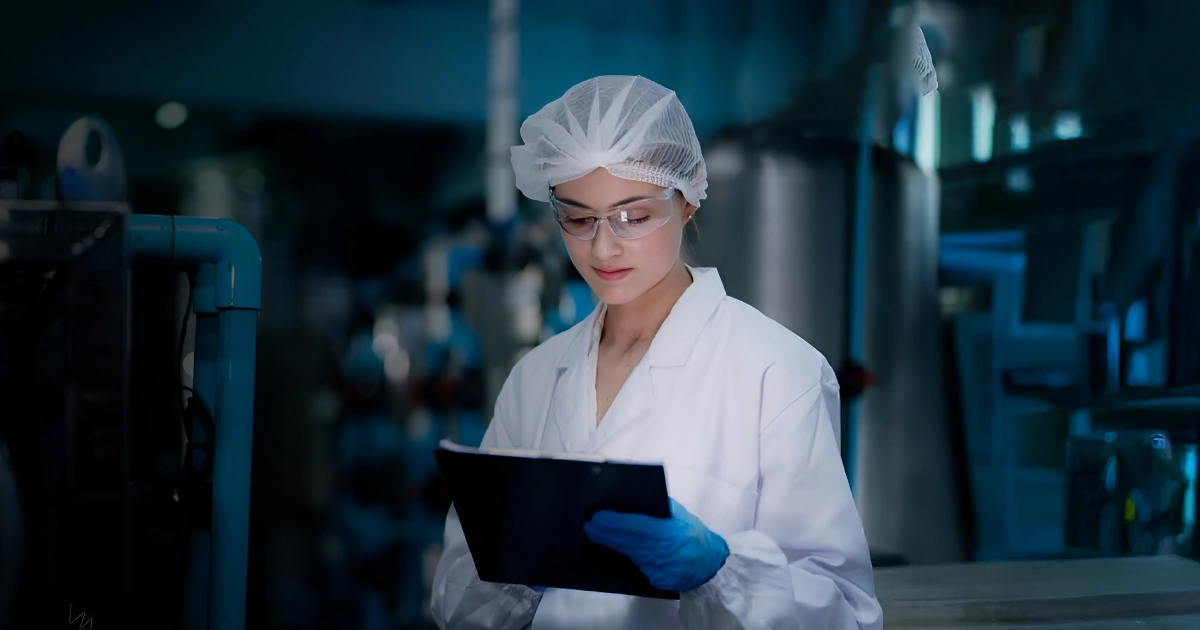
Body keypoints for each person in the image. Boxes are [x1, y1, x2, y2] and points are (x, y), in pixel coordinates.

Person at [430, 75, 882, 629]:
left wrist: (719, 572)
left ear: (688, 200)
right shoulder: (537, 377)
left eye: (634, 216)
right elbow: (455, 603)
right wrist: (516, 573)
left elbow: (846, 614)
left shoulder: (775, 370)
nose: (602, 247)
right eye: (577, 218)